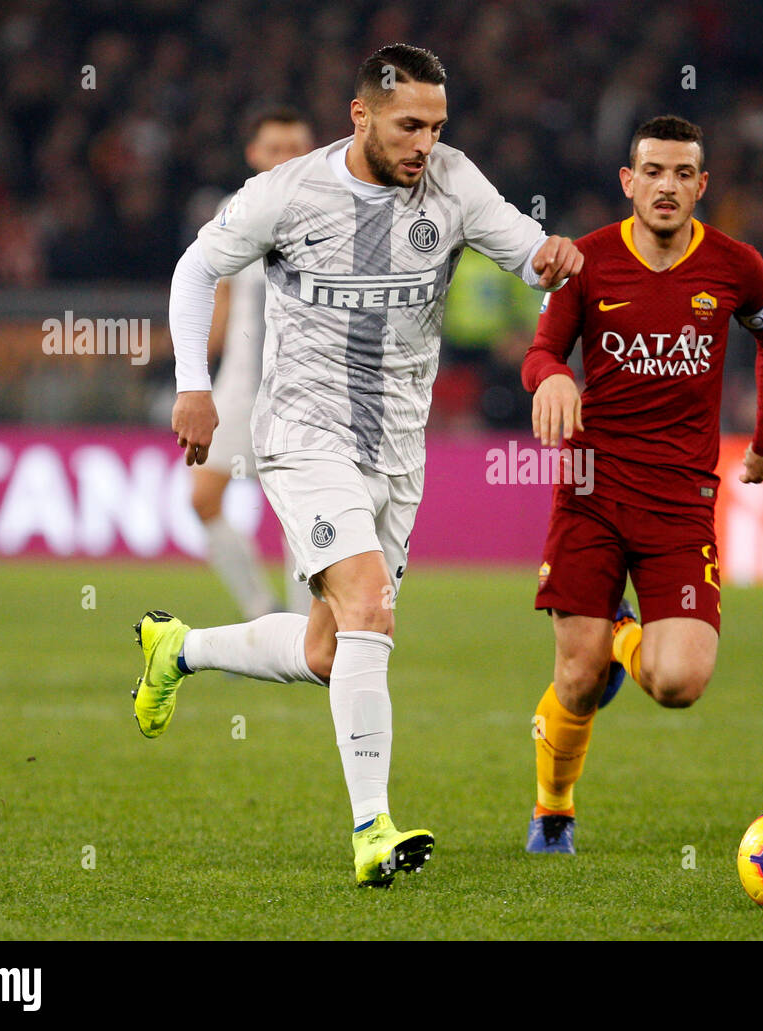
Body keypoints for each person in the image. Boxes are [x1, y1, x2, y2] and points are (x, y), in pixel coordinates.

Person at [133, 43, 583, 886]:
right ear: (361, 116)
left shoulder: (452, 181)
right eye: (410, 125)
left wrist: (553, 258)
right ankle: (372, 828)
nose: (424, 143)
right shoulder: (290, 191)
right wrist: (194, 387)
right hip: (304, 434)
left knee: (331, 650)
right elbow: (198, 267)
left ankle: (179, 648)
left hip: (398, 451)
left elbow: (528, 253)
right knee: (373, 602)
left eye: (437, 125)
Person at [520, 115, 763, 853]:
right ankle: (553, 808)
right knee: (575, 680)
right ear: (628, 180)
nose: (666, 186)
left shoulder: (736, 267)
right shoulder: (585, 262)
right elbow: (542, 351)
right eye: (654, 172)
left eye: (682, 174)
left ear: (702, 186)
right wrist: (550, 378)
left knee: (679, 683)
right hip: (591, 492)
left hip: (680, 502)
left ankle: (625, 637)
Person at [191, 105, 315, 620]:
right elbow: (218, 300)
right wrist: (192, 374)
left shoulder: (327, 214)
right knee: (203, 498)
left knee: (302, 513)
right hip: (241, 387)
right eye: (276, 148)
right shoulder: (232, 211)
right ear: (255, 154)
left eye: (295, 149)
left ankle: (308, 635)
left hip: (304, 389)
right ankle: (262, 611)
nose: (286, 157)